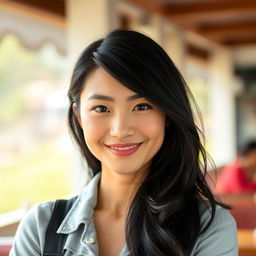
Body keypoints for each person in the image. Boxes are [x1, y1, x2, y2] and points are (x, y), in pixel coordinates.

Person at [10, 29, 237, 256]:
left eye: (142, 106)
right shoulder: (41, 228)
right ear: (79, 116)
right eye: (101, 108)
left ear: (166, 114)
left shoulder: (209, 228)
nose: (120, 130)